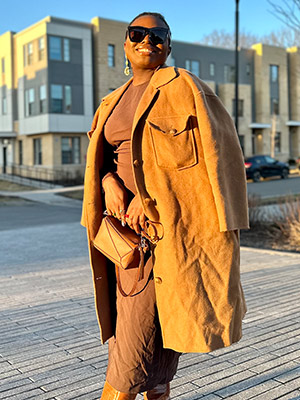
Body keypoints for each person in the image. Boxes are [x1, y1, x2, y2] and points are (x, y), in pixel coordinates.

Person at [81, 11, 249, 400]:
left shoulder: (185, 88)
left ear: (168, 47)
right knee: (152, 357)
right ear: (125, 44)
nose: (148, 40)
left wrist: (151, 196)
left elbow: (219, 162)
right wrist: (107, 181)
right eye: (138, 33)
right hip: (120, 242)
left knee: (128, 359)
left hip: (166, 241)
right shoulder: (111, 101)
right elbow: (101, 161)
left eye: (159, 36)